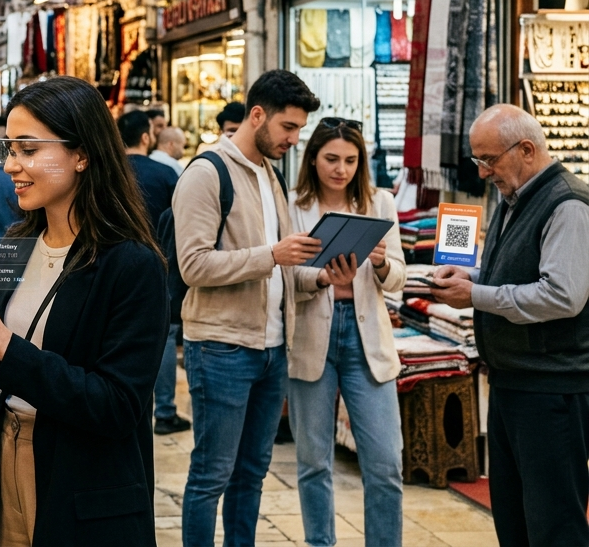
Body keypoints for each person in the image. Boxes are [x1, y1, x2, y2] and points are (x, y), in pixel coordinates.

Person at [0, 76, 168, 546]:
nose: (12, 166)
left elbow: (118, 406)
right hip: (5, 461)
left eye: (28, 150)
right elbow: (4, 375)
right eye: (9, 149)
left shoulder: (130, 263)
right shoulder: (17, 243)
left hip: (81, 481)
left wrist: (4, 344)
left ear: (82, 155)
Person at [175, 69, 343, 547]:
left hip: (273, 350)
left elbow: (284, 271)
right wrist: (271, 255)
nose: (295, 139)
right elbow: (193, 265)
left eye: (298, 130)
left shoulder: (272, 177)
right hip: (222, 348)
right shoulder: (207, 172)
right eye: (288, 128)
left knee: (252, 475)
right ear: (256, 115)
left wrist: (320, 277)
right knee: (211, 476)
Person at [432, 104, 589, 547]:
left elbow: (562, 295)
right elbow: (514, 276)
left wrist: (476, 295)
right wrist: (473, 277)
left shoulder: (569, 204)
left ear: (525, 149)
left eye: (489, 160)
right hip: (513, 383)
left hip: (551, 390)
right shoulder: (513, 197)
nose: (482, 172)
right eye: (477, 160)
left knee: (554, 523)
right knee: (516, 520)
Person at [288, 118, 406, 547]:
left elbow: (398, 279)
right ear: (313, 158)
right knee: (313, 462)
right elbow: (284, 278)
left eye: (351, 161)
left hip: (366, 337)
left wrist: (379, 263)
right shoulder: (293, 205)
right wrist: (318, 278)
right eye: (331, 159)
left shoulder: (380, 203)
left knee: (385, 463)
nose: (341, 169)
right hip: (312, 336)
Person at [119, 110, 187, 435]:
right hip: (159, 265)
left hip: (112, 264)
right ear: (146, 137)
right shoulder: (166, 174)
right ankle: (166, 410)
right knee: (163, 338)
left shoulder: (109, 172)